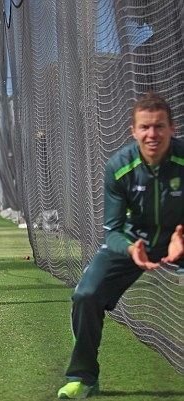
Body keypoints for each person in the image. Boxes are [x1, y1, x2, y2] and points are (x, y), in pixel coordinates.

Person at [57, 92, 184, 399]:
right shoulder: (118, 167)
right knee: (85, 295)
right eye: (145, 127)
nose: (152, 134)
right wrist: (130, 249)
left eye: (159, 126)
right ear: (133, 131)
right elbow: (111, 230)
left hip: (179, 236)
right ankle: (83, 377)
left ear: (172, 128)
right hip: (132, 240)